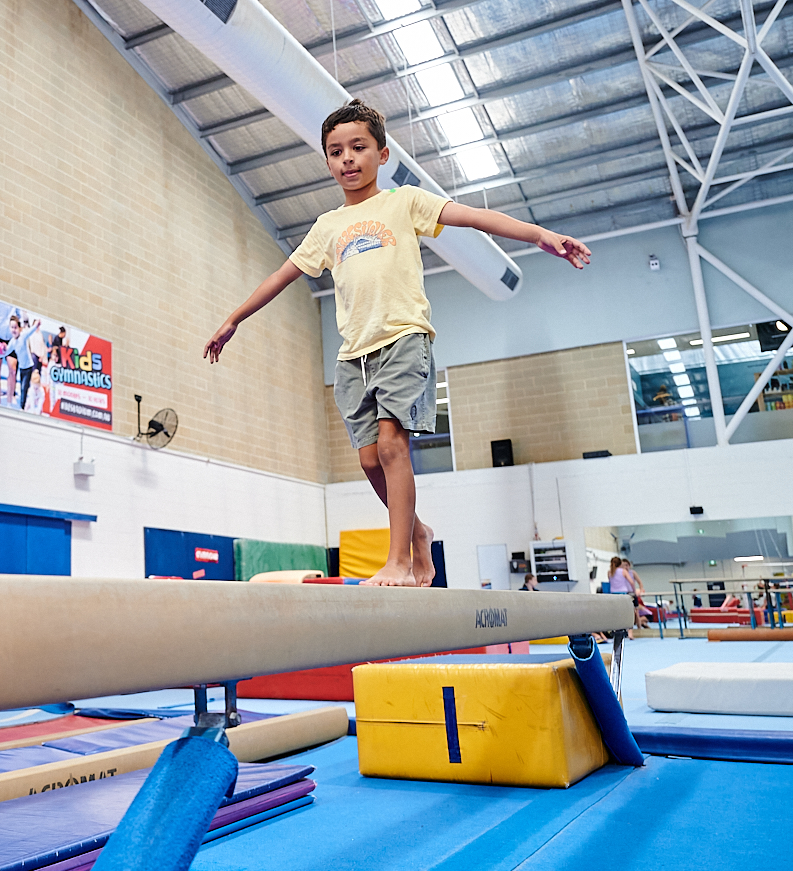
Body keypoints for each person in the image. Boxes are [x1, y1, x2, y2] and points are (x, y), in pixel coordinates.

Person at [204, 99, 590, 586]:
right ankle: (419, 531)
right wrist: (234, 318)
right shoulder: (327, 227)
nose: (347, 158)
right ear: (327, 161)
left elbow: (473, 218)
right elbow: (281, 276)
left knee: (391, 448)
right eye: (335, 151)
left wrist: (539, 235)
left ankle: (400, 561)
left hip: (404, 338)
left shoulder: (403, 201)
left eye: (358, 147)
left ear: (382, 155)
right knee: (370, 460)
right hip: (352, 356)